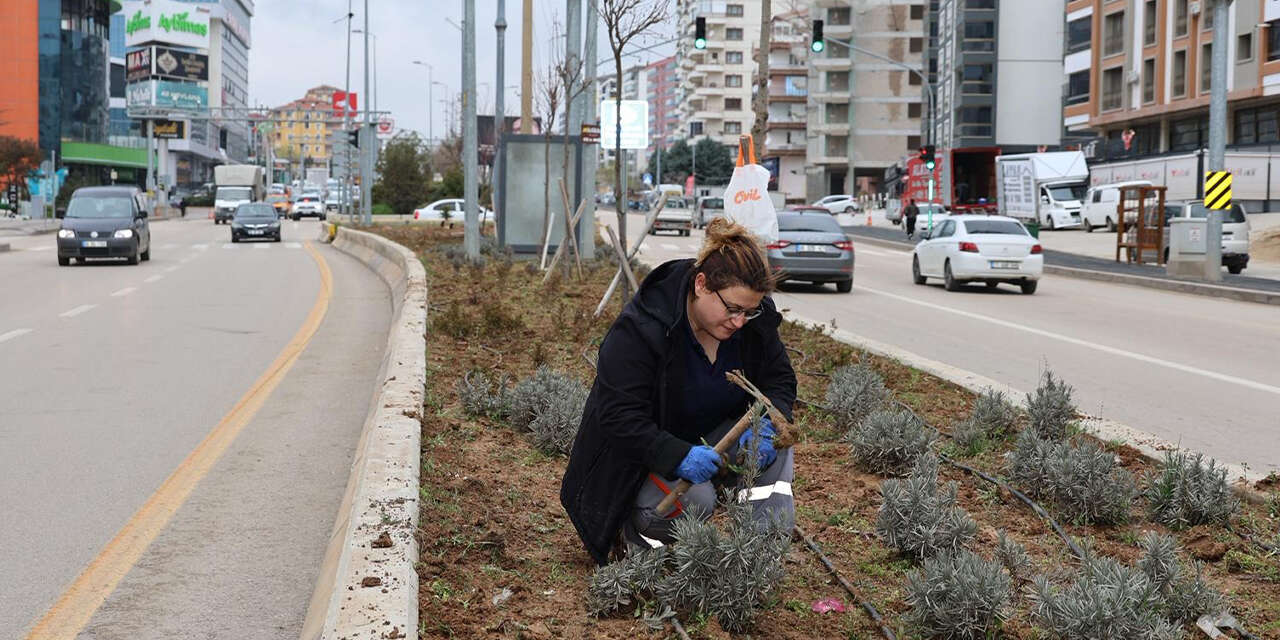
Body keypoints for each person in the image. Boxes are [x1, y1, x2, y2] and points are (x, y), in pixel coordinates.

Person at [560, 218, 798, 565]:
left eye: (749, 311)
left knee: (777, 446)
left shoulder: (752, 322)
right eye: (732, 309)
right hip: (637, 464)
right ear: (701, 284)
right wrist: (677, 456)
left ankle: (758, 559)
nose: (739, 322)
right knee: (695, 499)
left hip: (713, 442)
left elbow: (780, 379)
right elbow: (618, 417)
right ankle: (637, 545)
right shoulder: (641, 331)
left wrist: (767, 426)